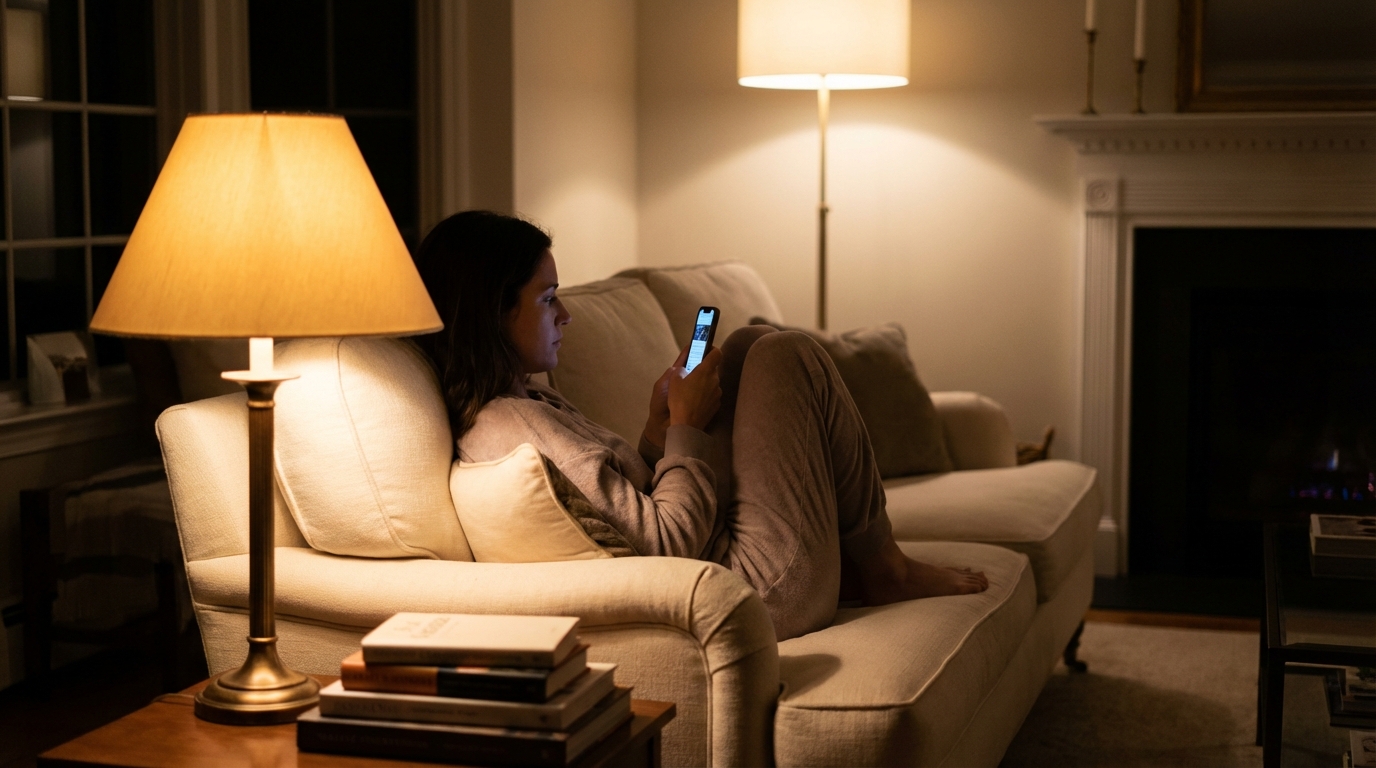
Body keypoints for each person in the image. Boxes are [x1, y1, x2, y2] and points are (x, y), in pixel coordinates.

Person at [416, 211, 987, 641]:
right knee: (786, 353)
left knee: (746, 346)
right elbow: (668, 545)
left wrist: (657, 430)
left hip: (730, 557)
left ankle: (862, 563)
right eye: (547, 299)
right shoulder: (517, 429)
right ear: (493, 312)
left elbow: (623, 503)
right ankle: (885, 566)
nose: (566, 315)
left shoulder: (524, 401)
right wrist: (687, 425)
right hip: (755, 590)